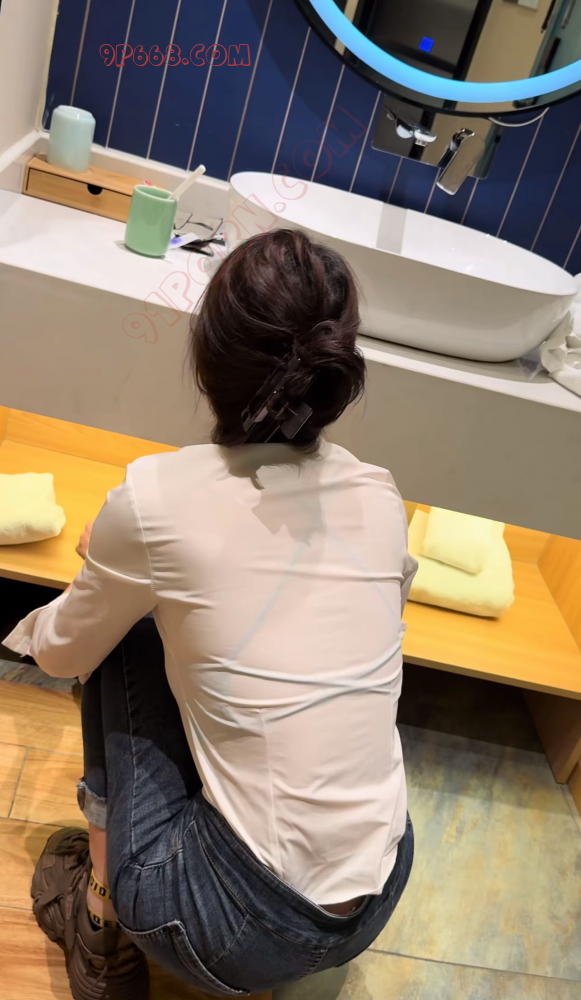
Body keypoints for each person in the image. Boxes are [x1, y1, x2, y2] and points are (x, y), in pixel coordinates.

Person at [3, 229, 417, 1000]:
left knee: (125, 637)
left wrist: (104, 570)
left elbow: (63, 653)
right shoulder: (377, 491)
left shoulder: (158, 498)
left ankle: (100, 929)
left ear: (206, 358)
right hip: (381, 887)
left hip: (231, 929)